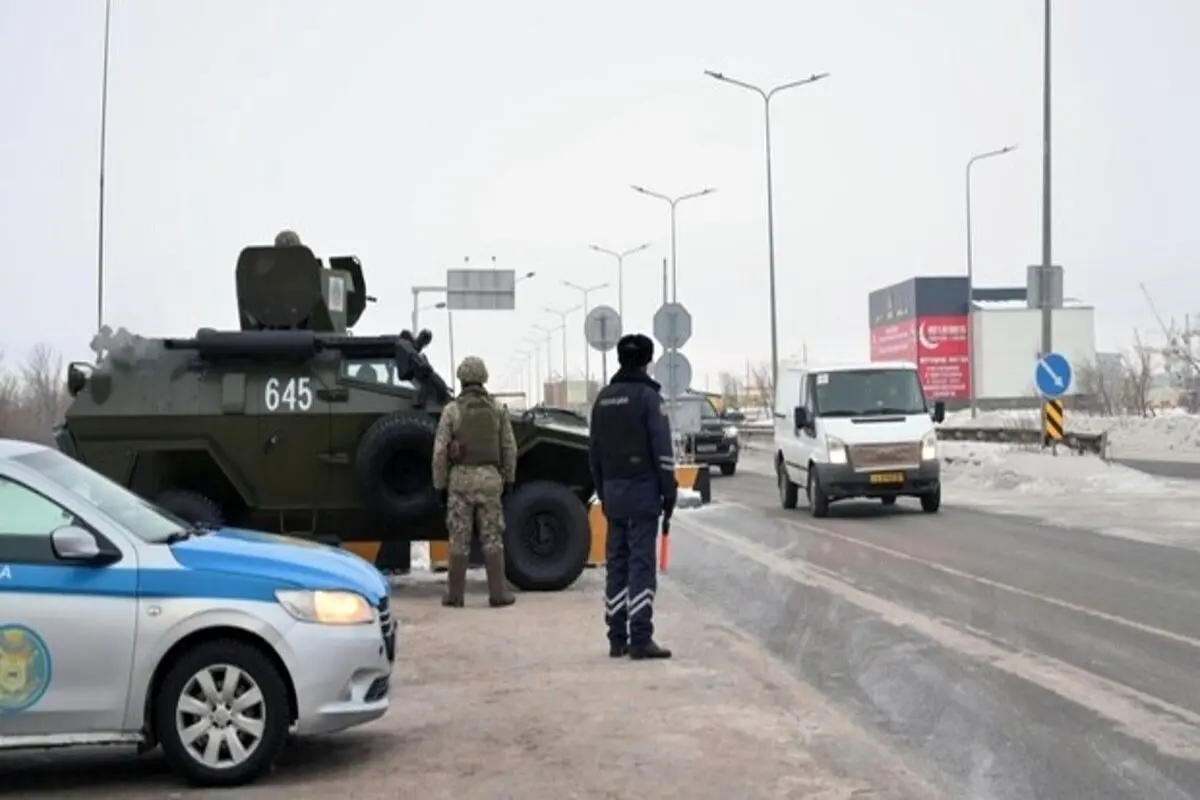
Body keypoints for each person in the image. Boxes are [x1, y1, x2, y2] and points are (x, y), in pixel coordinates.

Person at [588, 333, 676, 660]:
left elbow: (593, 453)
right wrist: (669, 493)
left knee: (617, 565)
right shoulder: (649, 399)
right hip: (643, 495)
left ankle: (616, 637)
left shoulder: (603, 400)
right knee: (641, 565)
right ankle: (640, 638)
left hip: (613, 494)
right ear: (647, 361)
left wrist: (603, 490)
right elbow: (663, 452)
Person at [431, 356, 518, 608]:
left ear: (461, 380)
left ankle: (455, 596)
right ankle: (498, 594)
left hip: (460, 481)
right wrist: (509, 478)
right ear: (484, 378)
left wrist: (440, 484)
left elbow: (439, 451)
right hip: (490, 480)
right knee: (492, 537)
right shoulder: (498, 409)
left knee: (459, 538)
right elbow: (508, 447)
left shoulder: (452, 410)